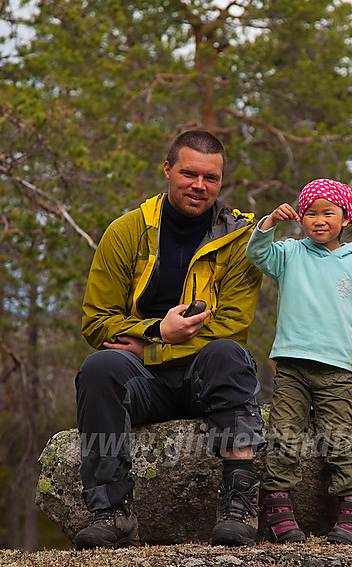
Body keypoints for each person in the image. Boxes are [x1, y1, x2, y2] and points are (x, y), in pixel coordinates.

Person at [73, 130, 265, 549]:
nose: (200, 185)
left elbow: (231, 326)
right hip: (143, 381)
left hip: (204, 379)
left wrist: (157, 345)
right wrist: (157, 331)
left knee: (228, 353)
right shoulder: (125, 232)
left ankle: (239, 503)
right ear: (167, 170)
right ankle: (111, 512)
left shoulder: (239, 240)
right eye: (189, 173)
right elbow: (96, 321)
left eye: (211, 178)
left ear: (221, 181)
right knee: (99, 368)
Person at [245, 178, 352, 544]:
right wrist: (268, 223)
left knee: (337, 438)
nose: (319, 220)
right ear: (300, 217)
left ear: (345, 217)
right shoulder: (289, 254)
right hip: (291, 365)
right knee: (283, 435)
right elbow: (257, 255)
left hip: (336, 368)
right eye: (310, 213)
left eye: (328, 213)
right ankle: (278, 508)